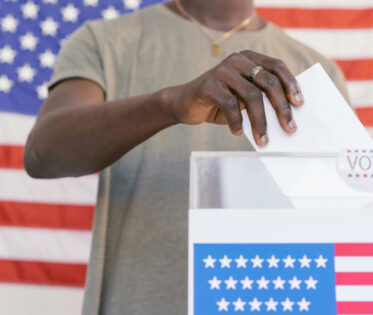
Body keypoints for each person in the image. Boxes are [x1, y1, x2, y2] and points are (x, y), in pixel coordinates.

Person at [24, 0, 349, 314]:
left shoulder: (314, 70)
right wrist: (172, 103)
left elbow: (343, 218)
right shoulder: (107, 41)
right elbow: (43, 153)